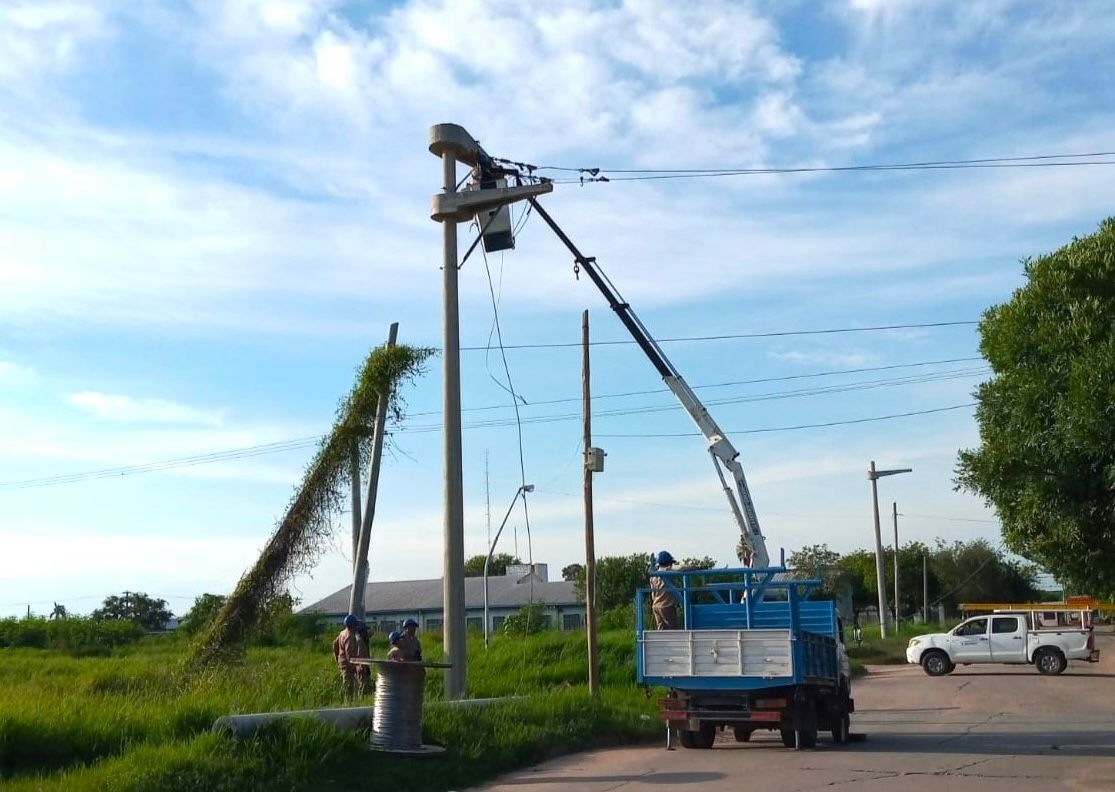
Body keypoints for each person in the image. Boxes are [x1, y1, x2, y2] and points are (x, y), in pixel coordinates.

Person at [332, 614, 371, 698]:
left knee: (348, 683)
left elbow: (334, 644)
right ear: (353, 625)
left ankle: (350, 700)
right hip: (349, 663)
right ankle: (349, 703)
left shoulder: (342, 633)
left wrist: (336, 657)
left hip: (343, 662)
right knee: (349, 685)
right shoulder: (350, 636)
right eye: (355, 625)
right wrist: (359, 665)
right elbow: (350, 654)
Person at [650, 551, 684, 630]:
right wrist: (697, 567)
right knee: (674, 630)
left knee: (662, 631)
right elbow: (682, 568)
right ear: (668, 563)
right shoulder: (668, 570)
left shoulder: (654, 575)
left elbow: (653, 594)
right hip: (667, 606)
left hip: (656, 606)